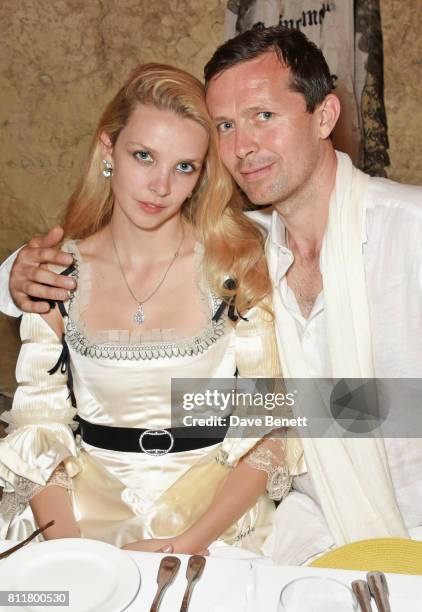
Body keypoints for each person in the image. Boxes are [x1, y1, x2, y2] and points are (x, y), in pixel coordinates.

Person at [2, 26, 422, 564]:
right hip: (310, 528)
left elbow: (304, 413)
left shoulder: (405, 231)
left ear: (324, 116)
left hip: (398, 522)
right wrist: (17, 277)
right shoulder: (252, 246)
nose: (243, 146)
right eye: (226, 125)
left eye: (264, 116)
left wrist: (223, 409)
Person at [0, 62, 304, 554]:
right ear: (108, 151)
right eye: (144, 156)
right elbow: (40, 428)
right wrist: (71, 554)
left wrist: (189, 543)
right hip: (78, 519)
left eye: (184, 166)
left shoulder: (237, 269)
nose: (161, 186)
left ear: (201, 175)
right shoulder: (54, 275)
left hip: (215, 521)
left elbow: (268, 426)